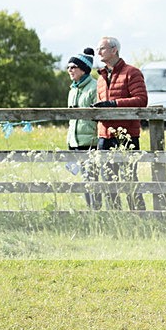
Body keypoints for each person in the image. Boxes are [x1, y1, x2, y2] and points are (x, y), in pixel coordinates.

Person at [94, 36, 148, 210]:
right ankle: (115, 216)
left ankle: (138, 214)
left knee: (129, 178)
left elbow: (141, 100)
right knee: (108, 179)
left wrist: (114, 104)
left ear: (114, 50)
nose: (98, 52)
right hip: (104, 135)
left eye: (101, 48)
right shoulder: (101, 78)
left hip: (127, 134)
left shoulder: (132, 72)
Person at [66, 47, 101, 209]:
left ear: (84, 69)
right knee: (84, 179)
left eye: (73, 67)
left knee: (92, 179)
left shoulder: (94, 87)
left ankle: (97, 210)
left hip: (90, 141)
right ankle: (90, 210)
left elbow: (100, 116)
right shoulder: (73, 89)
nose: (69, 70)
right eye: (68, 67)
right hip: (75, 141)